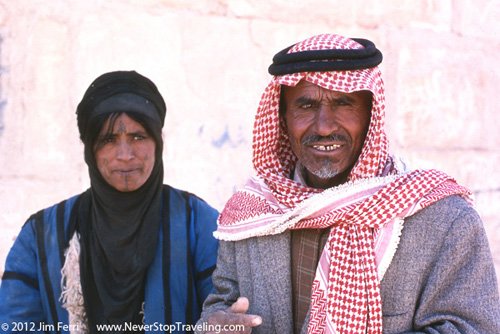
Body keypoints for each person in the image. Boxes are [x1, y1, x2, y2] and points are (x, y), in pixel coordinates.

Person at [196, 34, 500, 333]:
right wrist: (214, 323)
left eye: (343, 103)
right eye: (305, 106)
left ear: (371, 116)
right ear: (282, 120)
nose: (324, 126)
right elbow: (220, 306)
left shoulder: (444, 219)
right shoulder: (251, 214)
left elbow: (473, 328)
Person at [0, 70, 219, 333]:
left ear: (158, 141)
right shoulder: (42, 235)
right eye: (108, 139)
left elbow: (222, 308)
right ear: (90, 149)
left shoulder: (197, 222)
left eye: (138, 136)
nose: (125, 155)